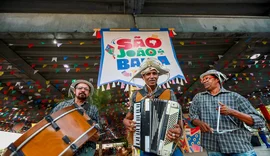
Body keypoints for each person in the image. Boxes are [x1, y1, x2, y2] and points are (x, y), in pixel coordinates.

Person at [189, 69, 265, 156]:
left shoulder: (235, 97)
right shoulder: (198, 98)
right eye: (203, 80)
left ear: (217, 79)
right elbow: (192, 115)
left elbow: (259, 122)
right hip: (213, 146)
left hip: (238, 146)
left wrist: (232, 112)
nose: (204, 81)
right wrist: (198, 122)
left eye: (207, 78)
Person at [123, 57, 183, 156]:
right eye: (148, 74)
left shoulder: (169, 93)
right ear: (143, 76)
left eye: (154, 73)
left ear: (158, 75)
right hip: (145, 145)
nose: (152, 76)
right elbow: (127, 118)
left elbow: (179, 118)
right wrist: (125, 122)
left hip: (168, 141)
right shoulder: (136, 95)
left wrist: (179, 131)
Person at [51, 79, 100, 156]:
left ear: (88, 93)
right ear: (74, 91)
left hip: (85, 149)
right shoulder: (62, 105)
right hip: (63, 147)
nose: (83, 90)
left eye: (86, 89)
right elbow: (49, 121)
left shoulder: (93, 109)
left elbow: (96, 132)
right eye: (80, 88)